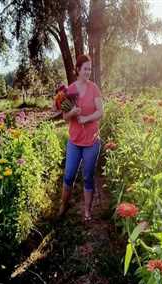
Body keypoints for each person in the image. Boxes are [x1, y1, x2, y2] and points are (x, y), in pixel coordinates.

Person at [58, 54, 103, 222]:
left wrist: (86, 118)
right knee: (69, 175)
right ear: (78, 70)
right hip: (75, 142)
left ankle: (87, 212)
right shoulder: (70, 90)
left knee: (87, 176)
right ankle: (63, 205)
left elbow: (100, 112)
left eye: (90, 69)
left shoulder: (94, 88)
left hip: (91, 141)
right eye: (85, 69)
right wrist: (73, 113)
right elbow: (64, 117)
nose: (88, 72)